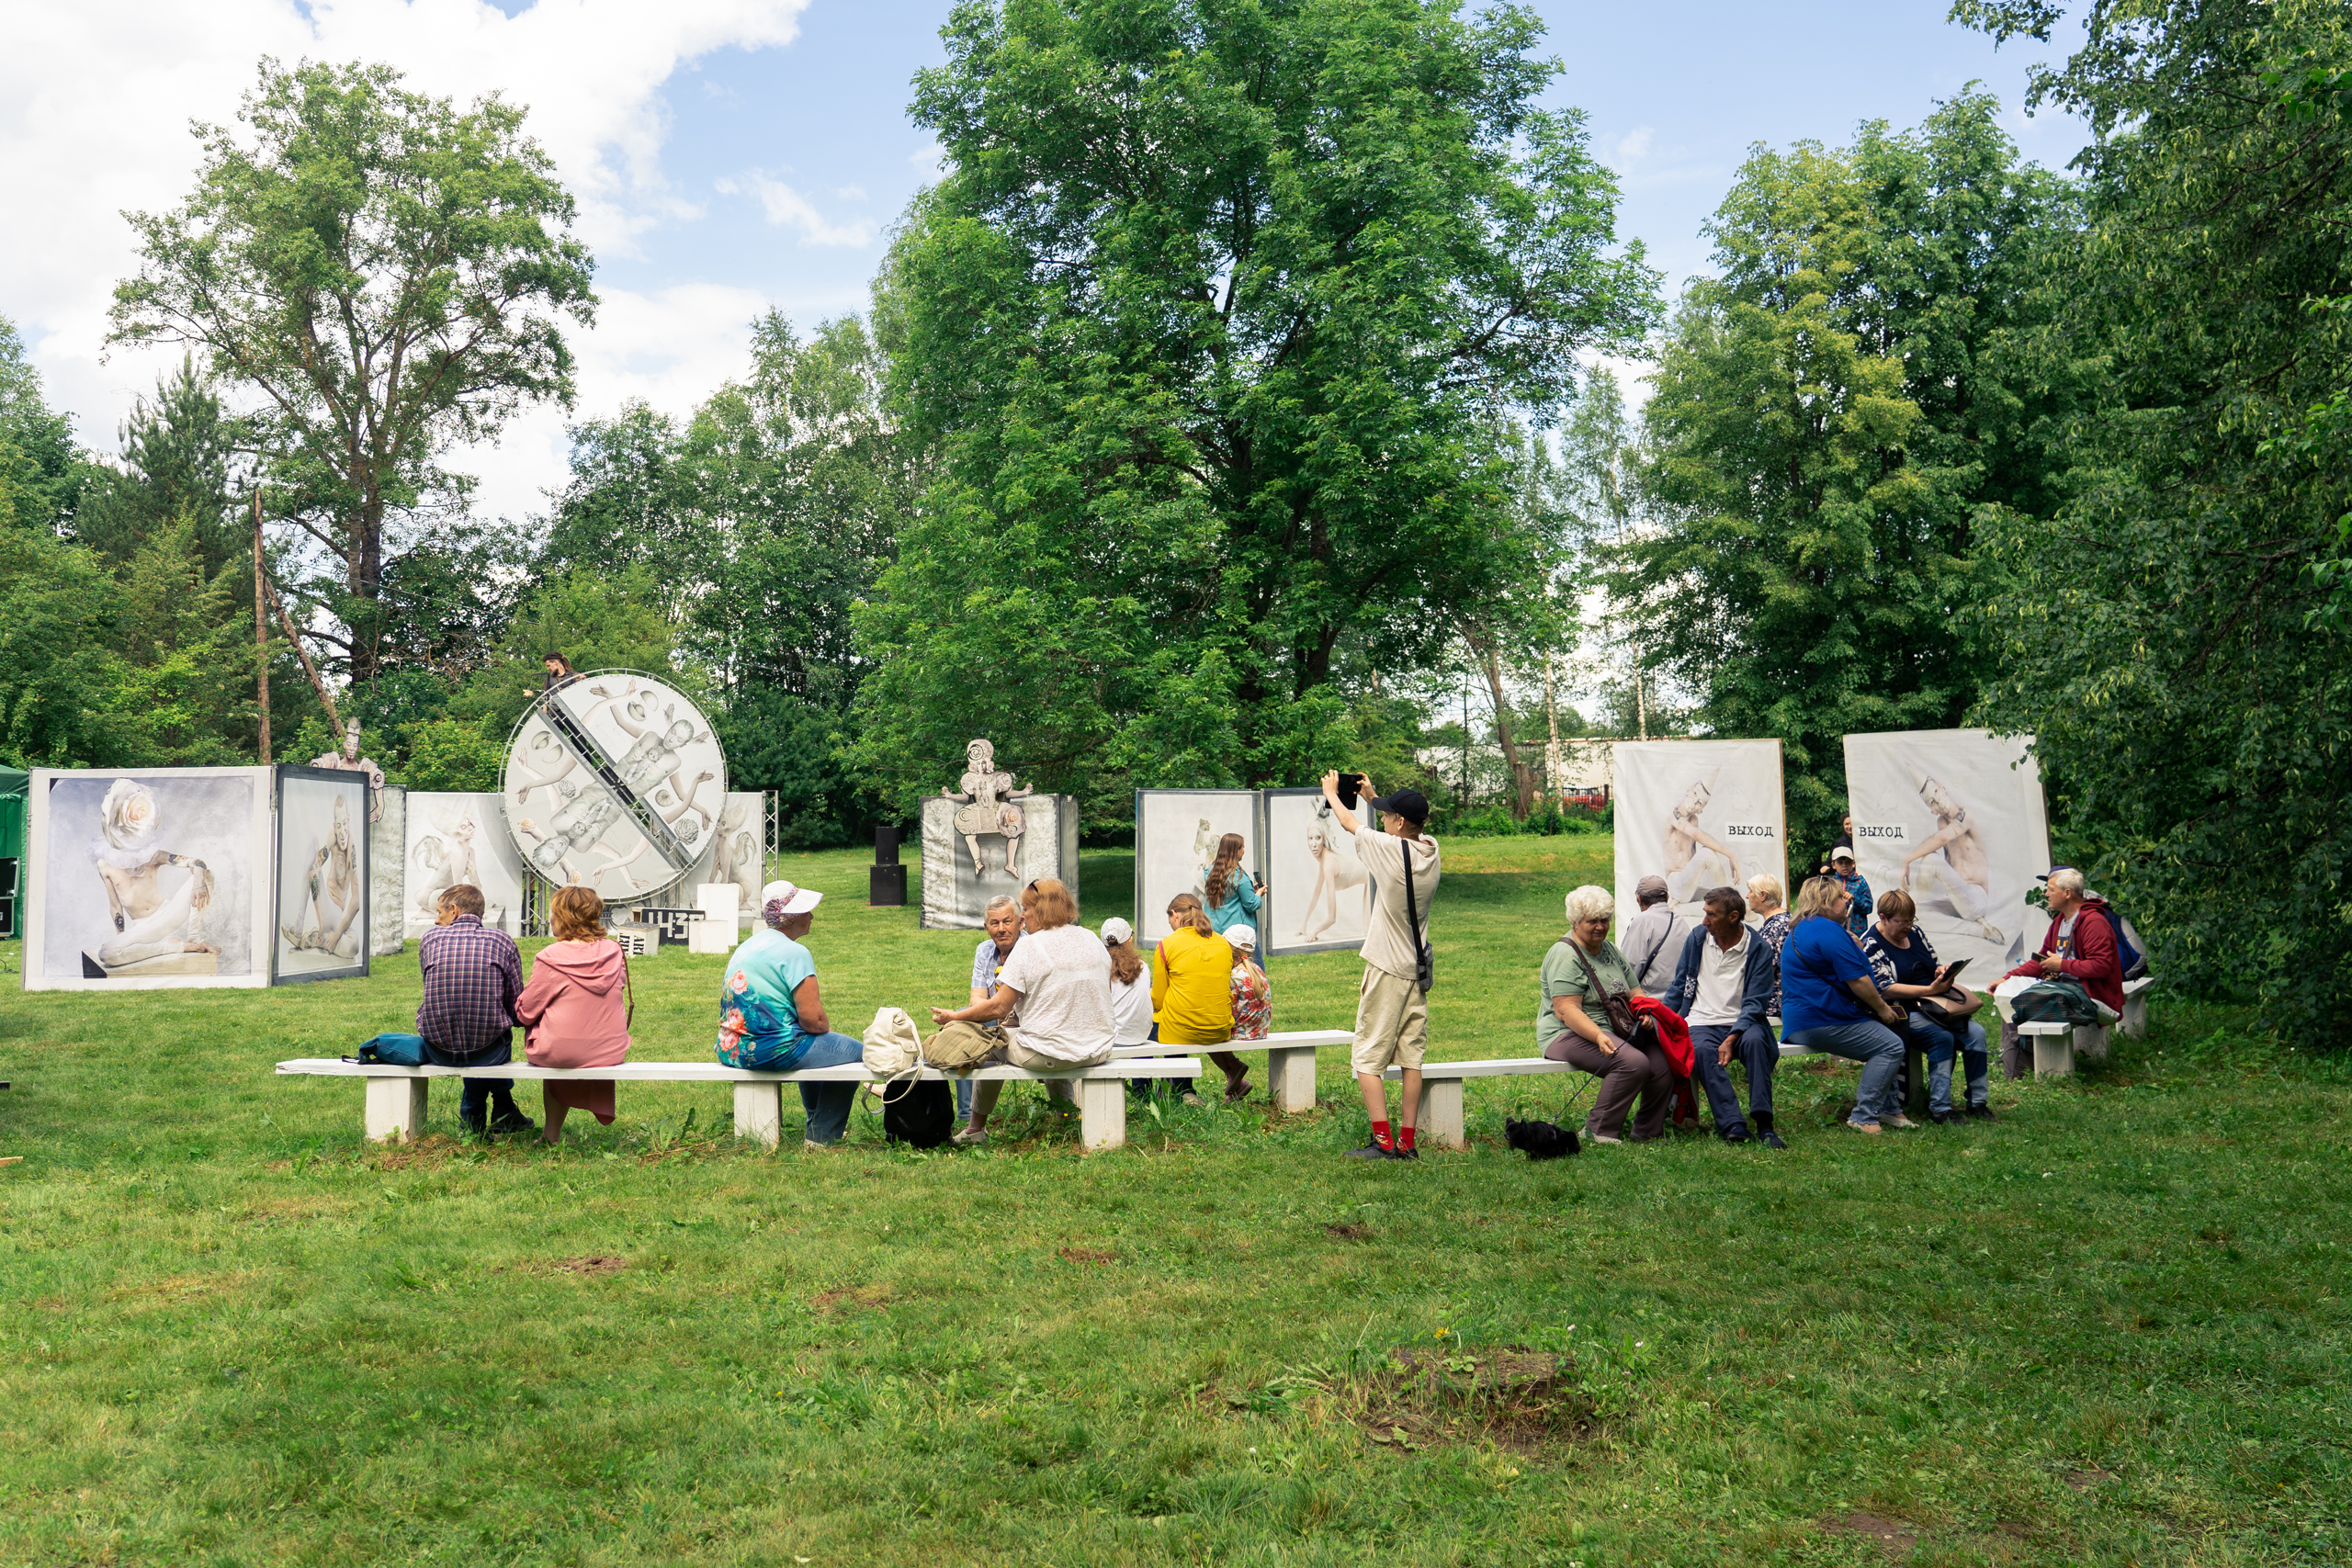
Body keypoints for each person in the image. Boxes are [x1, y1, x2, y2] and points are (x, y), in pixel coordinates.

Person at [932, 878, 1116, 1144]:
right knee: (1051, 1038)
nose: (1024, 916)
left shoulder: (1030, 946)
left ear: (1042, 910)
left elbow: (998, 1006)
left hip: (1052, 1055)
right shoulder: (1090, 937)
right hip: (1098, 1049)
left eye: (1027, 909)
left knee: (991, 1039)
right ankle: (1065, 1120)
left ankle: (974, 1129)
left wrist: (954, 1016)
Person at [1321, 772, 1442, 1160]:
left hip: (1388, 966)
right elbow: (1389, 825)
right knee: (1411, 1057)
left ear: (1400, 823)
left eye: (1389, 815)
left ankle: (1384, 1142)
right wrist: (1373, 798)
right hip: (1417, 967)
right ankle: (1407, 1142)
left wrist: (1330, 794)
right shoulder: (1430, 848)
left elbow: (1347, 822)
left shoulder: (1390, 851)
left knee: (1368, 1057)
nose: (1384, 818)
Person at [715, 880, 865, 1148]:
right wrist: (822, 1028)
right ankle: (822, 1137)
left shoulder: (748, 945)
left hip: (733, 1049)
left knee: (819, 1048)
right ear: (790, 918)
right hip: (768, 1051)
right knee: (854, 1056)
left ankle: (816, 1125)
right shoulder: (795, 953)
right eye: (805, 910)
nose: (812, 916)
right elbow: (814, 1021)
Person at [1539, 885, 1674, 1145]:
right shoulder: (1565, 954)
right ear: (1575, 922)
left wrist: (1645, 1014)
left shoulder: (1610, 949)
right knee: (1633, 1063)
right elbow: (1565, 1010)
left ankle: (1646, 1132)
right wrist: (1599, 1035)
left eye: (1605, 920)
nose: (1600, 927)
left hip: (1615, 1030)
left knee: (1661, 1064)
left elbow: (1636, 992)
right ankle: (1598, 1131)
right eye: (1593, 921)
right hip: (1566, 1034)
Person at [1778, 874, 1913, 1134]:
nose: (1846, 900)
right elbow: (1859, 981)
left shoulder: (1803, 928)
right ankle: (1864, 1116)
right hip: (1823, 1020)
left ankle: (1890, 1107)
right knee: (1891, 1046)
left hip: (1806, 1019)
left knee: (1885, 1038)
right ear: (1825, 901)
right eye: (1841, 896)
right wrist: (1883, 1009)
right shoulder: (1829, 930)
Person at [1661, 886, 1784, 1146]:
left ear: (1733, 916)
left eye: (1712, 915)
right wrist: (1662, 1017)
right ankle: (1732, 1124)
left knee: (1754, 1042)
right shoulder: (1697, 938)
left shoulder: (1758, 947)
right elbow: (1679, 985)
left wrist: (1731, 1037)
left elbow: (1755, 1002)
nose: (1704, 921)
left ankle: (1765, 1124)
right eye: (1705, 913)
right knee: (1703, 1051)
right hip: (1700, 1021)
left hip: (1743, 1021)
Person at [1861, 888, 1991, 1123]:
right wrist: (1930, 990)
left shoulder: (1916, 933)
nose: (1907, 927)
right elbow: (1885, 988)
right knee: (1942, 1038)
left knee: (1977, 1034)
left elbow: (1931, 961)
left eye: (1911, 920)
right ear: (1883, 917)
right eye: (1901, 922)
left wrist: (1941, 971)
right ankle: (1940, 1108)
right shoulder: (1870, 944)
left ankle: (1978, 1103)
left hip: (1935, 1005)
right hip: (1902, 1010)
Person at [517, 884, 632, 1143]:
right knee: (569, 1036)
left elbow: (526, 1011)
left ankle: (551, 1135)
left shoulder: (550, 956)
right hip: (610, 1049)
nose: (549, 918)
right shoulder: (615, 951)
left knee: (554, 1040)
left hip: (562, 1052)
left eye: (553, 912)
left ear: (564, 916)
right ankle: (551, 1134)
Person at [417, 884, 533, 1137]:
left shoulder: (429, 939)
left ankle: (496, 1114)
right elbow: (515, 1007)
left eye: (439, 913)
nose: (437, 921)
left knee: (472, 1033)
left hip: (437, 1049)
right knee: (486, 1037)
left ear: (454, 910)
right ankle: (489, 1114)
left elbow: (433, 990)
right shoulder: (501, 940)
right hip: (489, 1051)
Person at [1997, 864, 2124, 1078]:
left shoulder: (2094, 922)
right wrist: (2007, 977)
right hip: (2065, 990)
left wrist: (2062, 965)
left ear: (2067, 893)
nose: (2046, 894)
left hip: (2092, 995)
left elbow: (2101, 966)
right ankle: (2018, 1064)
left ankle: (2020, 1070)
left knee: (2026, 1003)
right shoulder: (2059, 921)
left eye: (2050, 889)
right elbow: (2042, 962)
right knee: (2010, 996)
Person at [1150, 893, 1252, 1104]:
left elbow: (1158, 998)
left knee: (1159, 1020)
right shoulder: (1223, 943)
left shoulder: (1165, 945)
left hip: (1181, 1029)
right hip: (1220, 1027)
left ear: (1174, 915)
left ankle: (1176, 1088)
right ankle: (1229, 1065)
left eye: (1169, 919)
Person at [959, 895, 1025, 1121]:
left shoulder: (1031, 948)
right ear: (986, 927)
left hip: (1026, 1021)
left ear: (1020, 923)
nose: (1001, 929)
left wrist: (998, 1010)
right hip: (995, 1018)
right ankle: (966, 1115)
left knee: (971, 1024)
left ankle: (1064, 1114)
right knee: (962, 1018)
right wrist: (995, 1011)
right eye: (995, 923)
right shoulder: (984, 951)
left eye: (1007, 921)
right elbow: (976, 999)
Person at [1618, 874, 1683, 993]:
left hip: (1650, 1004)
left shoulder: (1642, 920)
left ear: (1639, 899)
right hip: (1676, 1002)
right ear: (1667, 897)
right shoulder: (1680, 921)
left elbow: (1629, 966)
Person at [1201, 832, 1264, 947]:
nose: (1244, 850)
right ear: (1236, 851)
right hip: (1237, 936)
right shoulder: (1239, 877)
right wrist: (1259, 894)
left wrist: (1249, 890)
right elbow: (1251, 905)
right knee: (1254, 965)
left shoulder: (1211, 872)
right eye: (1243, 847)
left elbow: (1227, 896)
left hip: (1214, 932)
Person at [1102, 917, 1152, 1047]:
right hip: (1141, 1034)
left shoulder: (1101, 969)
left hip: (1112, 1037)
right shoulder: (1143, 967)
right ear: (1130, 940)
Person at [1747, 874, 1792, 1018]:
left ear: (1763, 896)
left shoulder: (1773, 928)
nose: (1747, 896)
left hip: (1777, 999)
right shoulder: (1788, 919)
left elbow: (1765, 974)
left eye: (1750, 891)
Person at [1228, 924, 1272, 1042]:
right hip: (1261, 1032)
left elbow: (1230, 1011)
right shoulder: (1257, 969)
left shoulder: (1234, 976)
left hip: (1240, 1033)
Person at [1828, 846, 1873, 936]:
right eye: (1840, 863)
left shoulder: (1860, 882)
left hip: (1857, 933)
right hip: (1835, 930)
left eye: (1848, 862)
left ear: (1853, 863)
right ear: (1833, 865)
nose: (1844, 865)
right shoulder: (1830, 884)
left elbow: (1869, 907)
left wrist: (1854, 899)